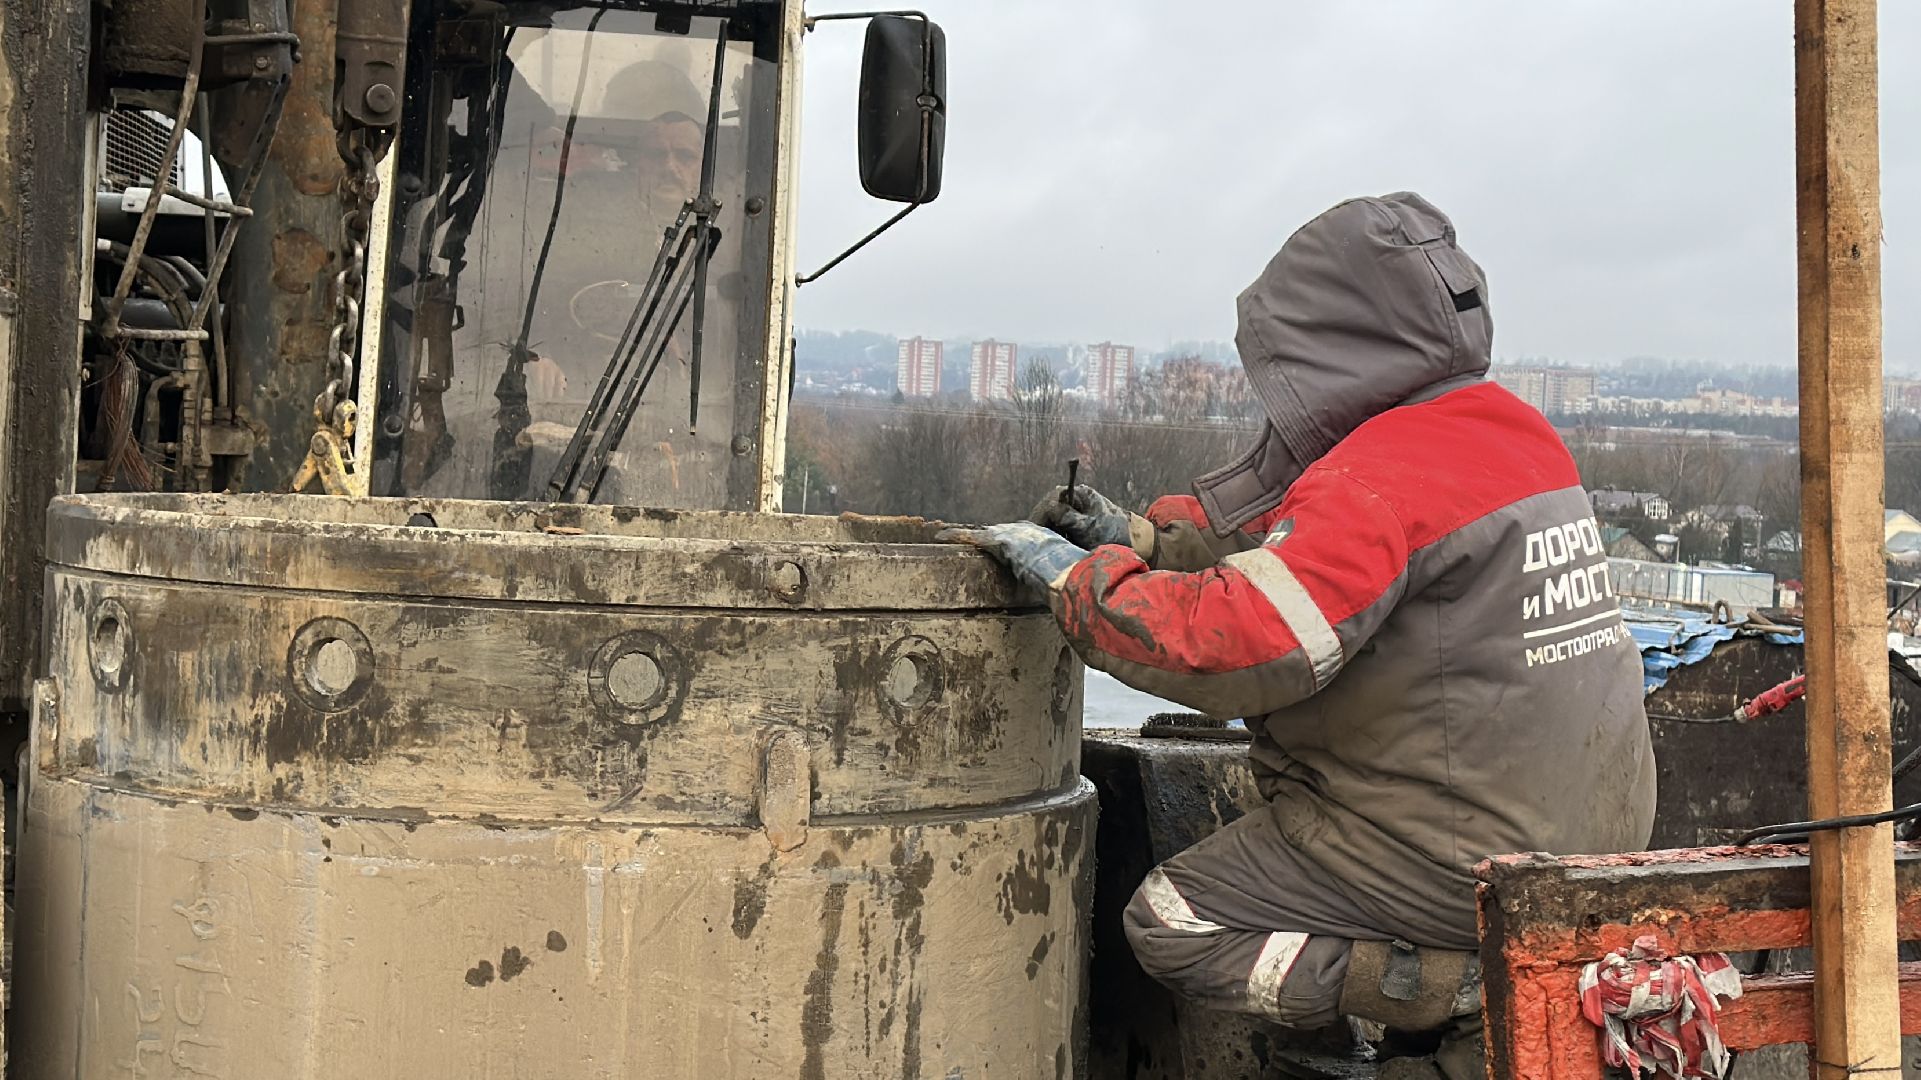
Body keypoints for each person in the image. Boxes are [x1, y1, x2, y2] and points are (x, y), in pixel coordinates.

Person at [941, 192, 1655, 1078]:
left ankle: (1459, 988)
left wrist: (1079, 582)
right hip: (1587, 833)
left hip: (1464, 857)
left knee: (1174, 922)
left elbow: (1241, 645)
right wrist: (1142, 542)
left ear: (1333, 350)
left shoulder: (1375, 480)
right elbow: (1303, 547)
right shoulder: (1509, 433)